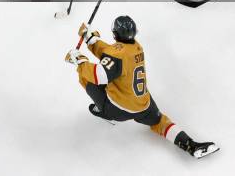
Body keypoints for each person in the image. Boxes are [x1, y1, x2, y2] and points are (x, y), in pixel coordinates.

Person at [65, 16, 219, 159]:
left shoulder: (117, 54)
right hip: (143, 104)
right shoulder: (136, 47)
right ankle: (190, 145)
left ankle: (106, 113)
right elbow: (111, 53)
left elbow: (99, 75)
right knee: (159, 121)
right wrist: (91, 40)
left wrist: (79, 60)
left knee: (84, 75)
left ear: (115, 34)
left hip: (118, 110)